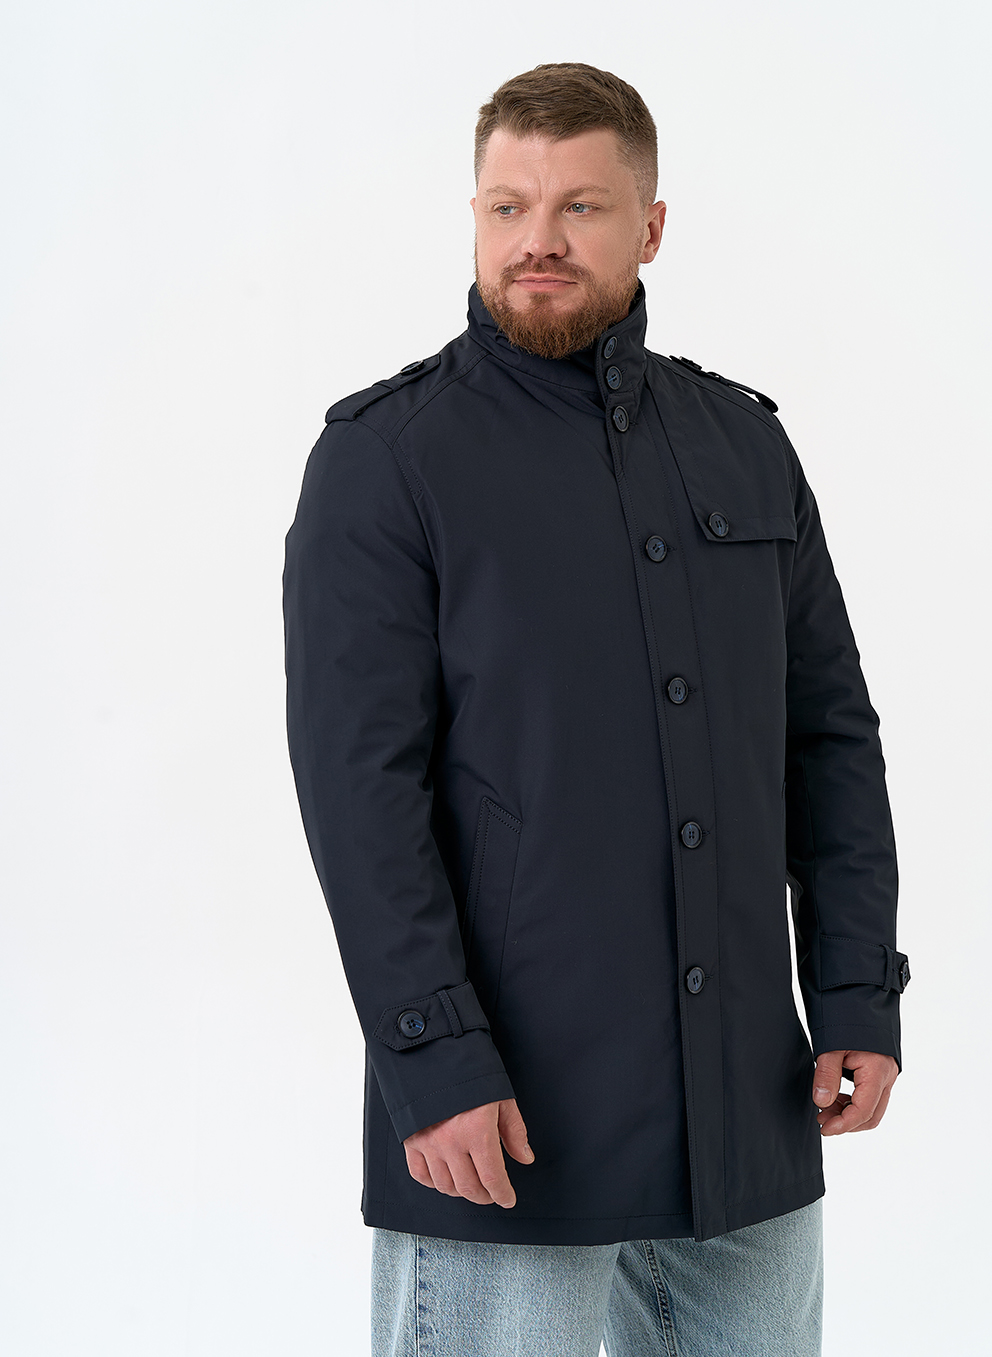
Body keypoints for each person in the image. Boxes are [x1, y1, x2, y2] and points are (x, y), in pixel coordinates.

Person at [283, 62, 910, 1357]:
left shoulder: (743, 443)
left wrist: (855, 990)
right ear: (473, 218)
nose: (540, 241)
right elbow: (359, 796)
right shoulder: (388, 461)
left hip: (745, 1113)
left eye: (580, 206)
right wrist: (432, 1060)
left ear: (652, 226)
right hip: (507, 1121)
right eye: (508, 207)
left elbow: (829, 738)